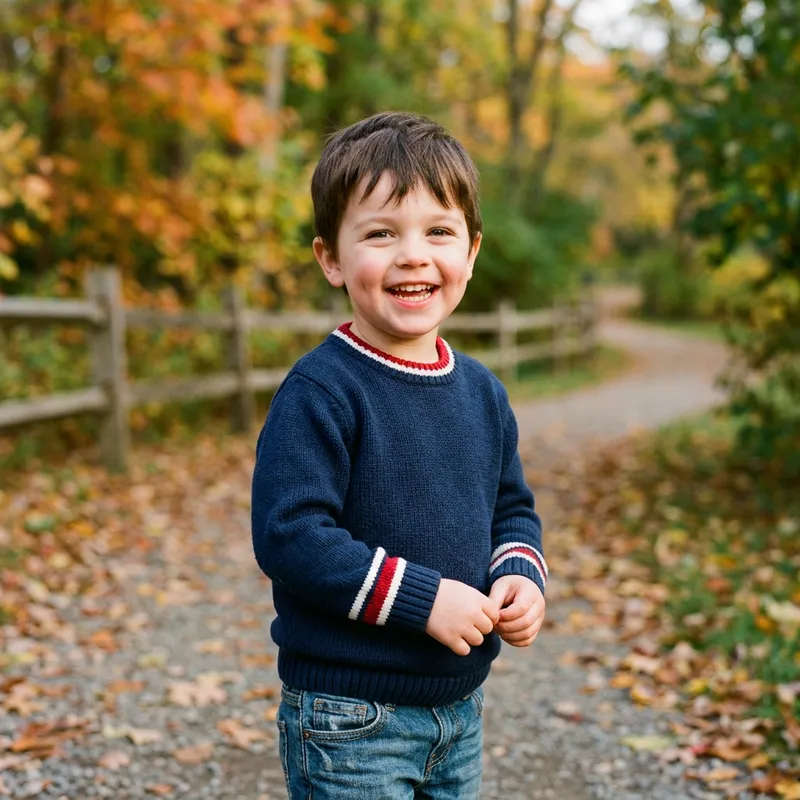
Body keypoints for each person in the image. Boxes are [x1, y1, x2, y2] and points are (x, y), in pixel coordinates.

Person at [251, 111, 547, 799]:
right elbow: (291, 537)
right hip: (350, 715)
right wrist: (423, 599)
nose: (413, 255)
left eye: (437, 232)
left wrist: (520, 575)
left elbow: (511, 507)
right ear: (330, 258)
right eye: (380, 233)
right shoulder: (322, 391)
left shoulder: (481, 392)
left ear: (471, 252)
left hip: (458, 707)